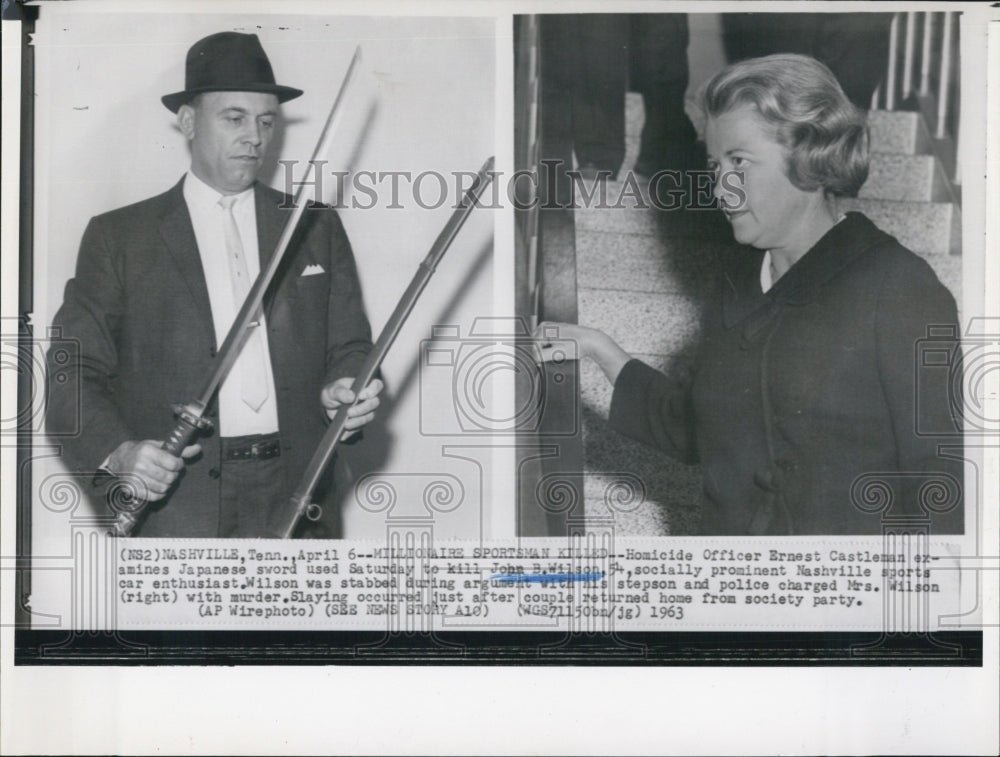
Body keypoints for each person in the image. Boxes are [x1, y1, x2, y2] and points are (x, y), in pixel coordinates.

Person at [536, 54, 963, 536]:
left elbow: (942, 483)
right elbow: (699, 428)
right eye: (715, 165)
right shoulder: (737, 281)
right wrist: (600, 349)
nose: (721, 187)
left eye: (739, 161)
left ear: (810, 155)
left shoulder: (897, 284)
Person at [46, 32, 383, 538]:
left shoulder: (314, 225)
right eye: (235, 118)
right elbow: (71, 375)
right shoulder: (119, 237)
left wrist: (345, 388)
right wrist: (120, 452)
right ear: (187, 121)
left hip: (299, 491)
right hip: (179, 505)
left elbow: (352, 346)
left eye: (267, 122)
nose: (255, 136)